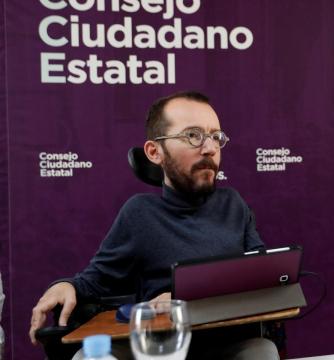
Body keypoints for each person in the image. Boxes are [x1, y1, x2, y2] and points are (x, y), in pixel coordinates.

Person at [29, 91, 279, 359]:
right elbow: (94, 281)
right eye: (193, 136)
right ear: (154, 152)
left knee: (263, 351)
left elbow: (261, 276)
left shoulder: (233, 205)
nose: (209, 148)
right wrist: (66, 285)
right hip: (158, 346)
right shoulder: (140, 213)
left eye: (216, 137)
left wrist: (184, 297)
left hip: (227, 344)